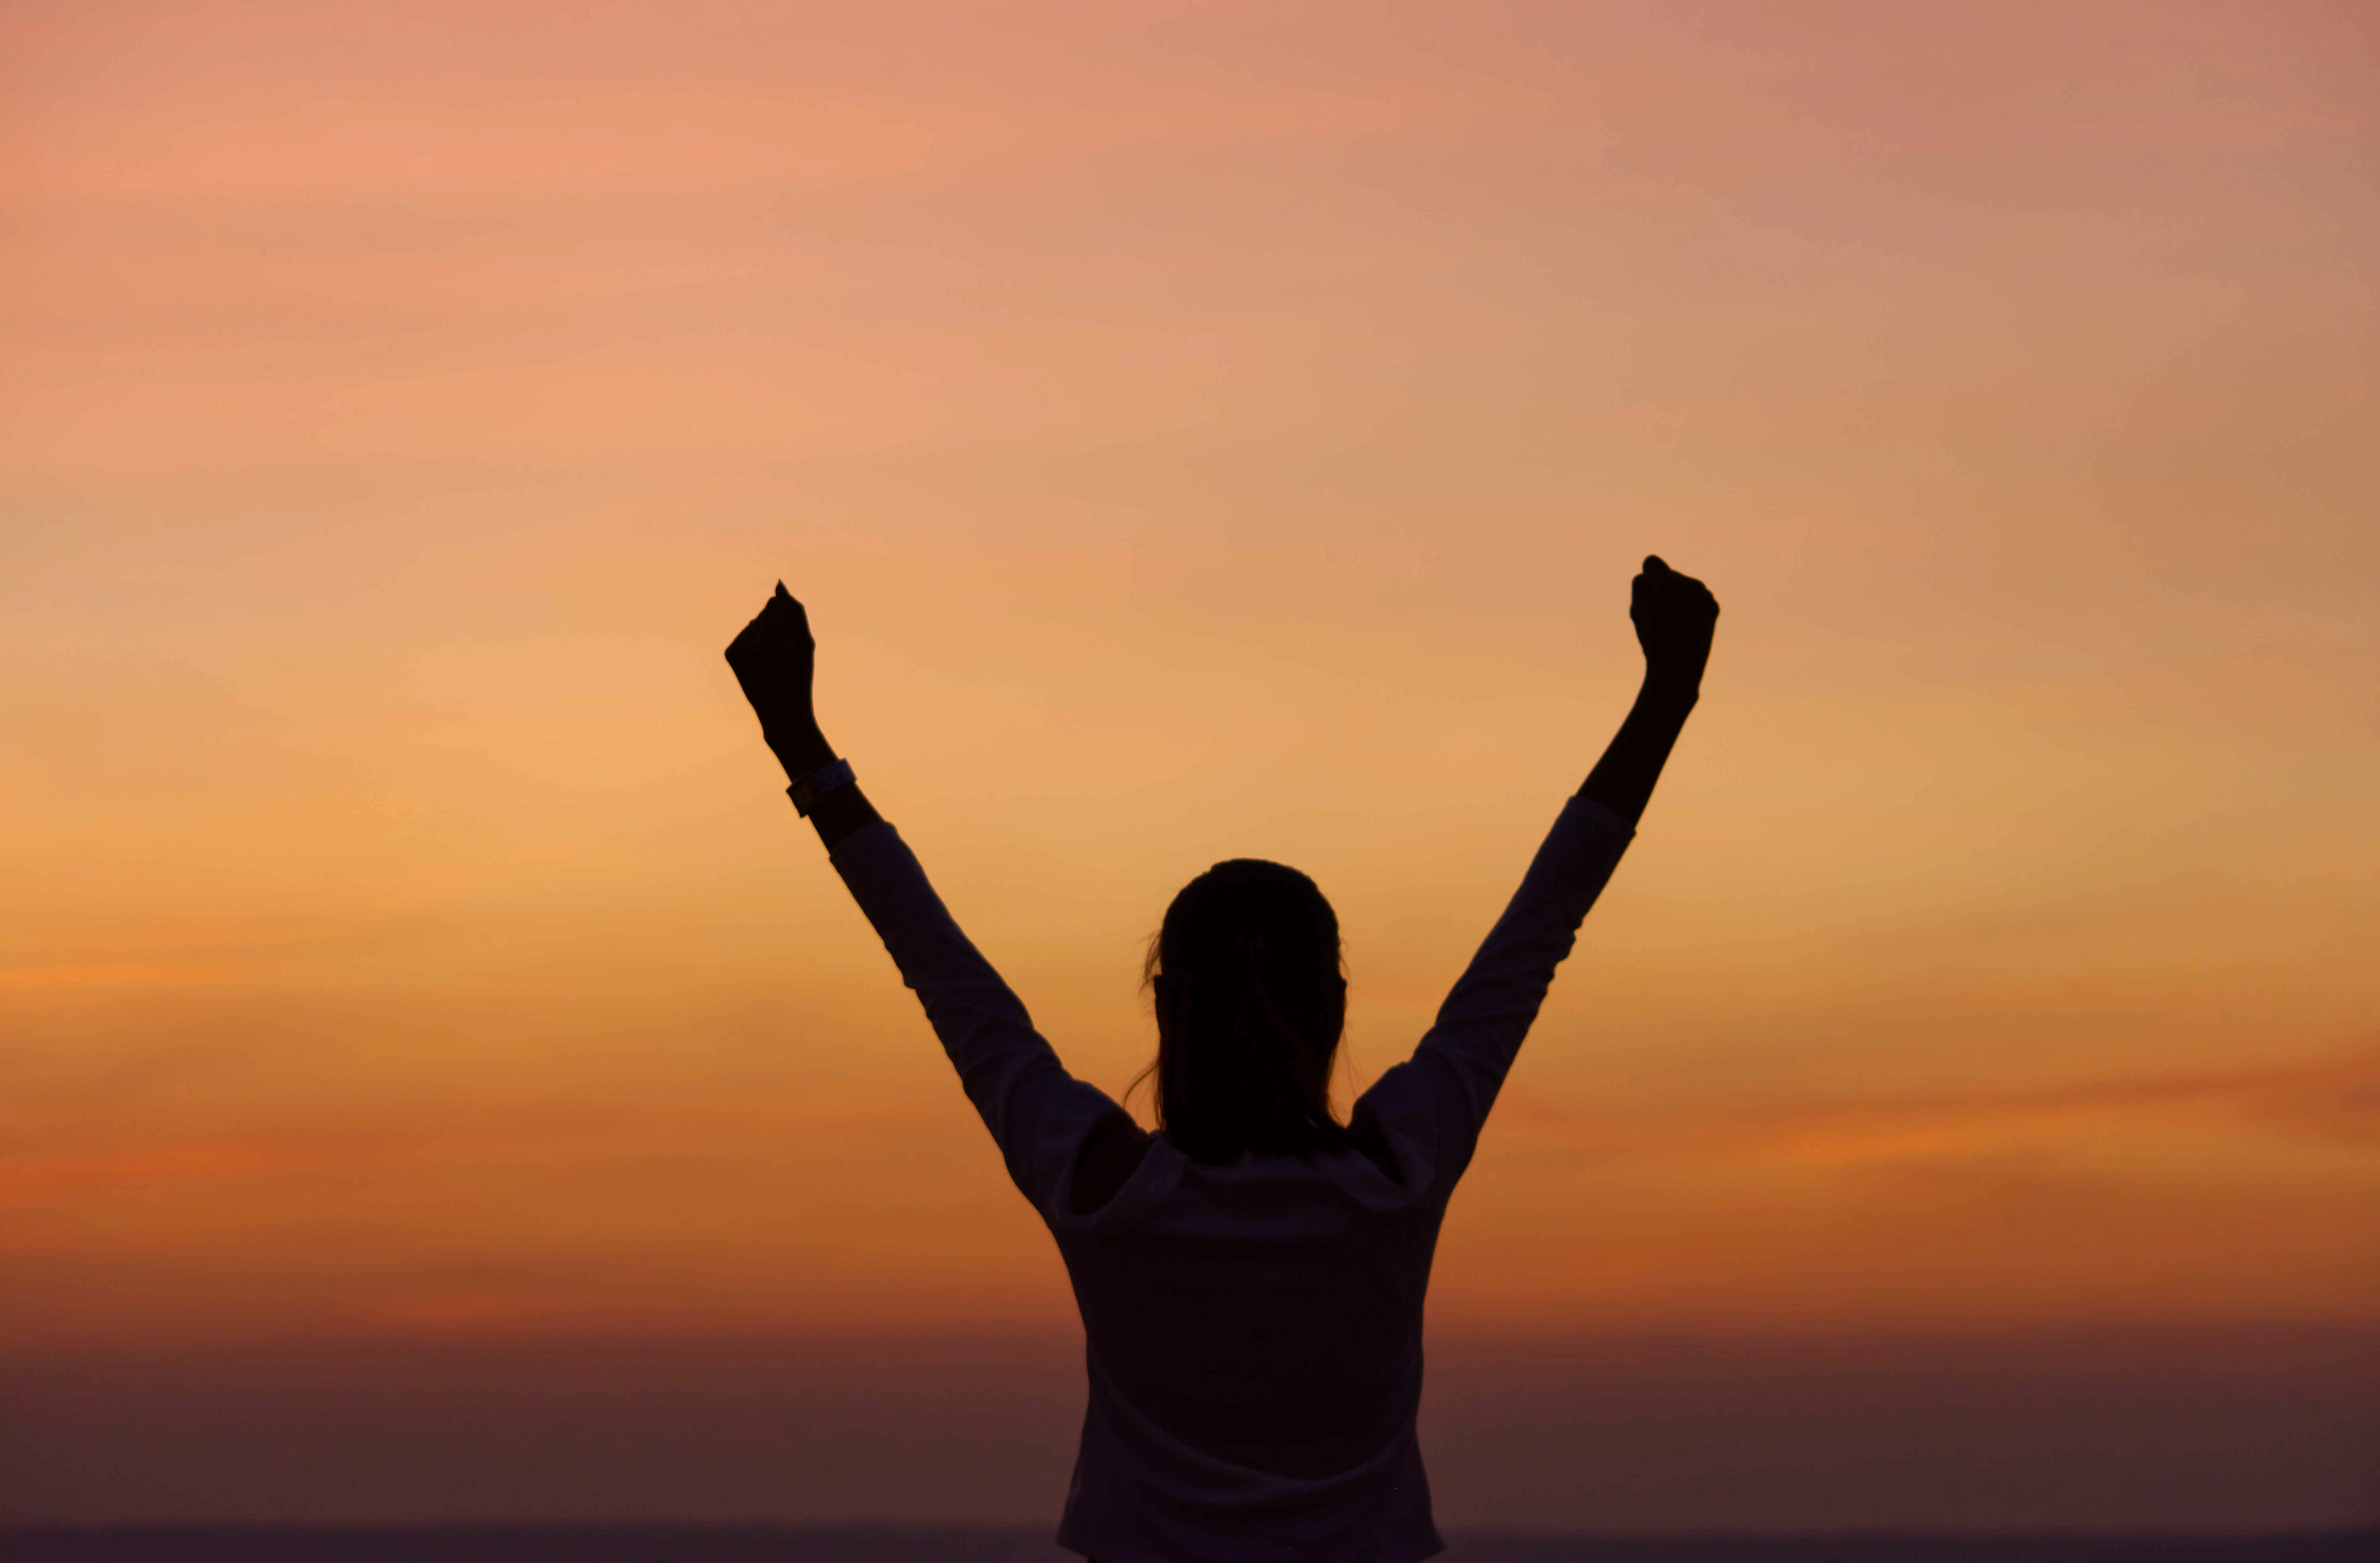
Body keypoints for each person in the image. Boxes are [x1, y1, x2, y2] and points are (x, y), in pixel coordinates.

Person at [725, 557, 1718, 1563]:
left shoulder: (1100, 1183)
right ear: (1333, 1005)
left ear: (1163, 1006)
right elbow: (1538, 927)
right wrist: (1666, 695)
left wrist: (799, 741)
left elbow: (942, 969)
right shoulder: (1397, 1174)